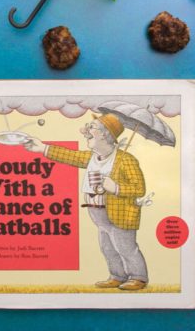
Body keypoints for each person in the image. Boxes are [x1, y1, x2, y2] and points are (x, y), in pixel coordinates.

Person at [24, 113, 148, 291]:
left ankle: (138, 277)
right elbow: (69, 156)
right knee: (107, 247)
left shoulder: (126, 160)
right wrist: (42, 148)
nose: (84, 131)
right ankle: (117, 275)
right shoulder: (92, 157)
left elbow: (139, 188)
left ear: (106, 134)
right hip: (98, 213)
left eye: (91, 127)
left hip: (120, 214)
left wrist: (116, 188)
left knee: (125, 247)